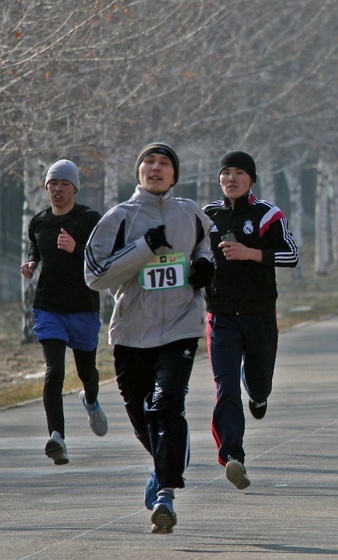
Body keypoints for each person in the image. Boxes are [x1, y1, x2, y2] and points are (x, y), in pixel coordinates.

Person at [85, 143, 215, 534]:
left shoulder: (190, 212)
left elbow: (206, 242)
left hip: (181, 327)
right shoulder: (118, 218)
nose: (156, 169)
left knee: (166, 405)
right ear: (138, 172)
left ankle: (166, 494)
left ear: (175, 175)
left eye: (164, 164)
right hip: (132, 334)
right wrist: (143, 249)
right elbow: (95, 275)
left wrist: (205, 265)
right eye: (149, 163)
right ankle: (169, 458)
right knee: (144, 419)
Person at [203, 151, 299, 490]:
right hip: (221, 316)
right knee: (225, 387)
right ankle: (233, 456)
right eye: (226, 172)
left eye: (239, 173)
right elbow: (192, 256)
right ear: (219, 179)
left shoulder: (267, 214)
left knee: (259, 385)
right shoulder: (207, 217)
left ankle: (258, 396)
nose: (231, 178)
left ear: (251, 180)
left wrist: (250, 253)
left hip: (259, 314)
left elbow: (291, 254)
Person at [20, 159, 107, 465]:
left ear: (74, 188)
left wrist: (78, 248)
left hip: (83, 307)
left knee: (87, 373)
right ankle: (58, 438)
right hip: (49, 307)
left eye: (63, 184)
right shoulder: (39, 222)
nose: (57, 189)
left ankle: (92, 401)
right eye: (52, 184)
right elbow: (35, 246)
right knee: (54, 371)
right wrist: (31, 263)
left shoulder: (89, 219)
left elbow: (103, 256)